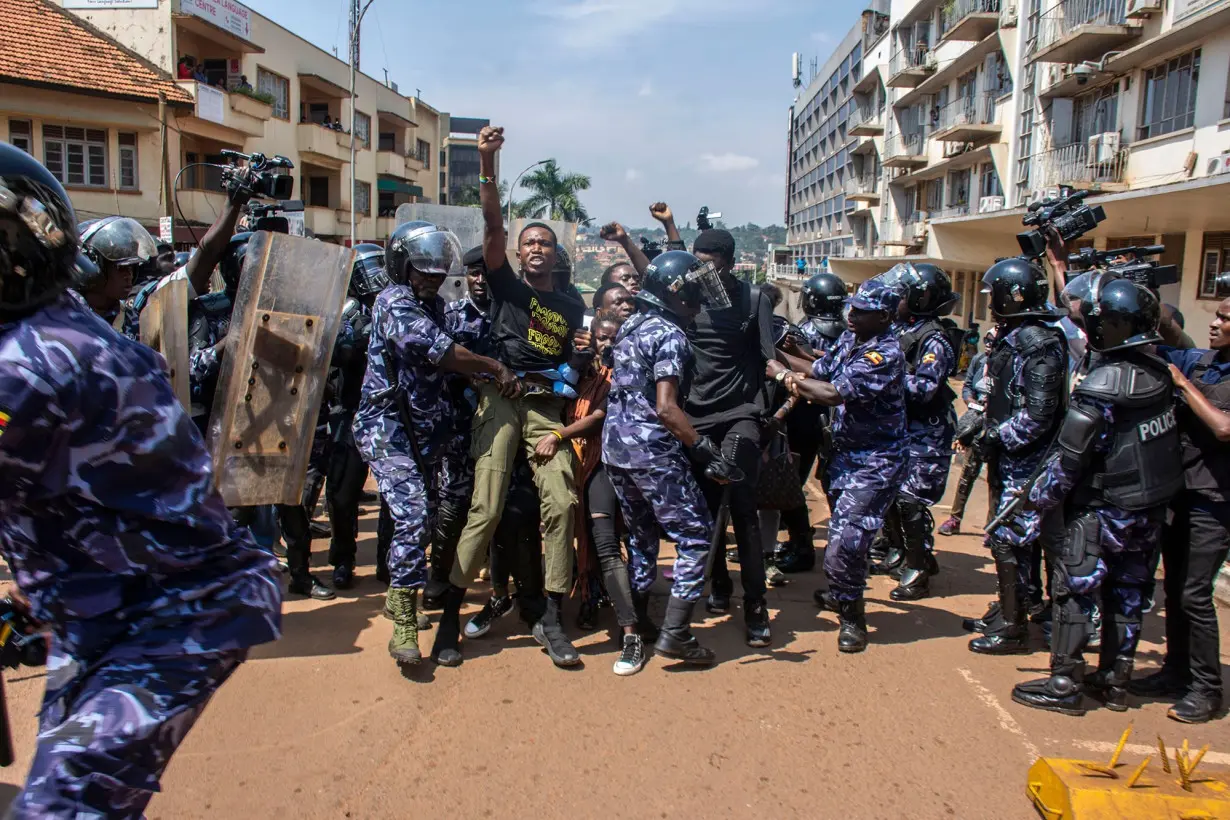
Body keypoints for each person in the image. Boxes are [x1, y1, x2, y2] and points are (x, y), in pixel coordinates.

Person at [0, 141, 281, 817]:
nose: (126, 282)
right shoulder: (58, 330)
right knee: (63, 769)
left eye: (132, 271)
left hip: (172, 609)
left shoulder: (29, 365)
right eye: (117, 271)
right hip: (103, 596)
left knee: (64, 806)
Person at [439, 125, 588, 669]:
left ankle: (550, 617)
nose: (534, 248)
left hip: (544, 407)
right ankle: (451, 617)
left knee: (562, 500)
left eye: (544, 243)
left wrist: (582, 355)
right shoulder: (507, 286)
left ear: (555, 253)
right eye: (528, 242)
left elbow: (577, 361)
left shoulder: (571, 307)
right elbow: (493, 222)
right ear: (517, 253)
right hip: (500, 400)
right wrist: (486, 164)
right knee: (487, 505)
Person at [1010, 276, 1183, 716]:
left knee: (1074, 589)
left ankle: (1065, 681)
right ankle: (1115, 679)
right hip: (1147, 508)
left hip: (1102, 507)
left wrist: (1034, 502)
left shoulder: (1102, 384)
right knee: (1127, 594)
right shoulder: (1160, 373)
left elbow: (1069, 459)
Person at [353, 221, 515, 667]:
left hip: (428, 432)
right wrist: (492, 368)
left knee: (434, 510)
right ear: (401, 265)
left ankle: (412, 589)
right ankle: (404, 619)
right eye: (423, 270)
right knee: (412, 515)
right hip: (389, 428)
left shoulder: (440, 307)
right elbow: (443, 354)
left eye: (438, 272)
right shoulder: (393, 303)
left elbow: (464, 350)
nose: (431, 278)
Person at [605, 250, 739, 667]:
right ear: (677, 296)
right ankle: (677, 633)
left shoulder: (631, 326)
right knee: (696, 536)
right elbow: (666, 408)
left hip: (618, 452)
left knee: (642, 538)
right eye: (695, 296)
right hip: (652, 452)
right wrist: (703, 450)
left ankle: (643, 621)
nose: (699, 305)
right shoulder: (669, 334)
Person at [784, 278, 908, 653]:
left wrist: (781, 374)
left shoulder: (883, 354)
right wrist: (768, 352)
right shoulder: (854, 340)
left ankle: (853, 617)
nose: (850, 315)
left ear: (884, 316)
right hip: (846, 456)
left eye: (861, 311)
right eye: (851, 308)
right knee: (842, 533)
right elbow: (820, 369)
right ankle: (842, 593)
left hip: (876, 461)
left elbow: (831, 392)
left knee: (847, 542)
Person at [1132, 296, 1230, 723]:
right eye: (1218, 313)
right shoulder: (1206, 360)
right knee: (1173, 588)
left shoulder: (1198, 374)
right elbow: (1166, 340)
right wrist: (1145, 297)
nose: (1216, 321)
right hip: (1181, 491)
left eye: (1226, 317)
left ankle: (1208, 690)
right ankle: (1175, 671)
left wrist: (1184, 386)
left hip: (1216, 501)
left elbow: (1224, 427)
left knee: (1194, 594)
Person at [968, 258, 1069, 656]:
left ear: (1014, 298)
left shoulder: (1038, 343)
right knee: (1011, 540)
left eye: (994, 296)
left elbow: (1039, 415)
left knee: (1008, 539)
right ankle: (1012, 609)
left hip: (1031, 461)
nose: (990, 304)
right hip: (1009, 457)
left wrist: (997, 435)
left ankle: (1013, 629)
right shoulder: (1013, 337)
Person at [871, 264, 960, 602]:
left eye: (903, 295)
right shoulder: (902, 328)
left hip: (927, 433)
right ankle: (901, 550)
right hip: (900, 428)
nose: (896, 300)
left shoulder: (933, 337)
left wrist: (883, 377)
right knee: (892, 495)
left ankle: (919, 569)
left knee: (911, 502)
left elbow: (925, 388)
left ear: (920, 299)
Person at [427, 246, 491, 607]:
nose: (480, 280)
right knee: (454, 498)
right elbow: (439, 365)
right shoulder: (450, 316)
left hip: (501, 423)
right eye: (474, 273)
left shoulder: (509, 315)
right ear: (464, 276)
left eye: (486, 273)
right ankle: (439, 576)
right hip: (459, 423)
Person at [774, 272, 847, 574]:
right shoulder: (850, 334)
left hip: (802, 419)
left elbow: (808, 374)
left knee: (790, 484)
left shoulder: (801, 332)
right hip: (834, 423)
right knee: (832, 486)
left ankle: (802, 545)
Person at [327, 244, 388, 589]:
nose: (376, 273)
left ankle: (386, 560)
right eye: (369, 267)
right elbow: (335, 353)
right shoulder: (345, 313)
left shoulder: (396, 306)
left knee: (393, 492)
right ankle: (343, 560)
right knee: (342, 493)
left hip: (387, 413)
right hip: (348, 412)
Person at [939, 328, 995, 536]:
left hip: (996, 424)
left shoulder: (1007, 364)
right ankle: (955, 518)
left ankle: (992, 526)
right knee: (968, 473)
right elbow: (967, 385)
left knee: (995, 478)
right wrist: (972, 402)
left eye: (993, 341)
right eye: (987, 340)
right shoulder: (979, 360)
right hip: (976, 421)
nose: (988, 344)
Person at [74, 216, 158, 331]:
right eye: (121, 267)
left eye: (131, 267)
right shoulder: (68, 312)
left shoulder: (129, 318)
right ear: (91, 265)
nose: (129, 275)